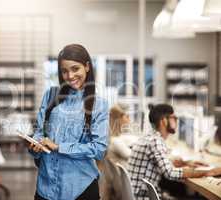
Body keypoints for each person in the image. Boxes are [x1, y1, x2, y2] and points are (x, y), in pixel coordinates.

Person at [26, 44, 109, 200]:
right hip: (46, 187)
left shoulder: (99, 104)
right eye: (64, 71)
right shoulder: (50, 95)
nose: (70, 76)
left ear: (87, 67)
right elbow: (39, 132)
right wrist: (35, 145)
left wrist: (59, 147)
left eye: (75, 69)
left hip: (81, 189)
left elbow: (99, 149)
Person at [127, 104, 221, 200]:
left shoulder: (150, 137)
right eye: (174, 118)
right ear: (163, 121)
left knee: (183, 191)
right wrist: (208, 172)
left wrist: (185, 163)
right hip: (143, 197)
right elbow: (170, 173)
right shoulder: (155, 141)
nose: (177, 121)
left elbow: (160, 162)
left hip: (138, 194)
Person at [100, 103, 139, 200]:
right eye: (127, 116)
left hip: (118, 184)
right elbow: (134, 156)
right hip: (126, 186)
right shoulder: (115, 142)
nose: (129, 119)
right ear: (119, 119)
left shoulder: (111, 138)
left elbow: (128, 139)